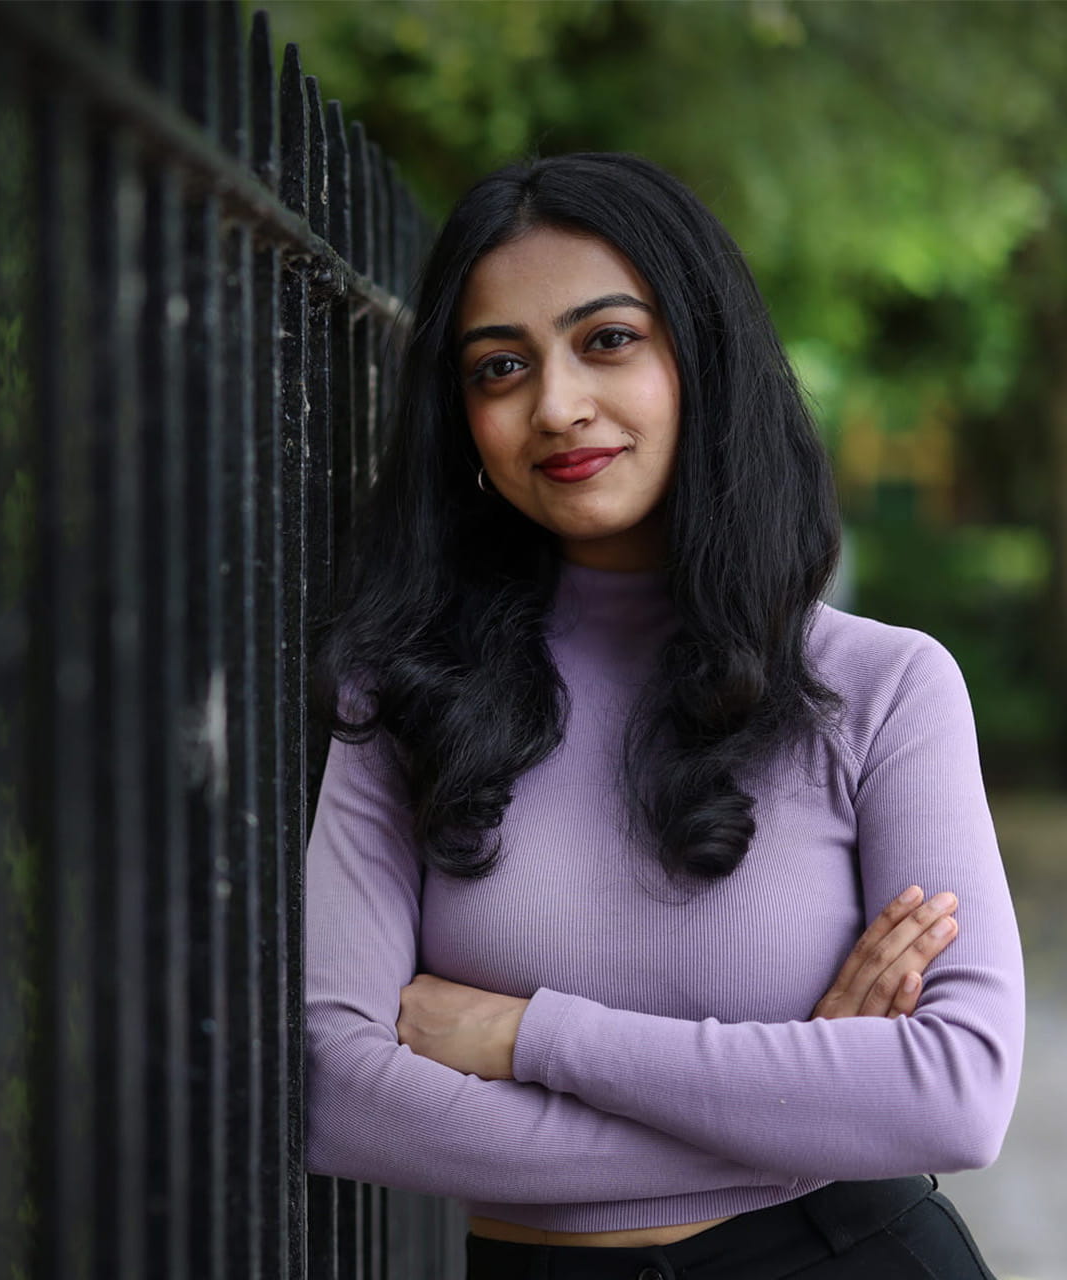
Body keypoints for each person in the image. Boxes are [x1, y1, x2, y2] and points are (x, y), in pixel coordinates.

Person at [303, 153, 1024, 1279]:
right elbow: (339, 1094)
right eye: (501, 367)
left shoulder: (883, 687)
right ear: (464, 418)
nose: (556, 404)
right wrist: (801, 1104)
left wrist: (525, 1036)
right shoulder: (402, 694)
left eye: (608, 340)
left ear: (703, 358)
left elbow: (958, 1093)